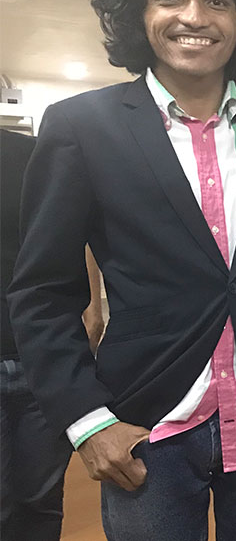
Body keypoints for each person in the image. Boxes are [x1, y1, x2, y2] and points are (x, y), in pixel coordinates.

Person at [8, 0, 236, 539]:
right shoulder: (80, 127)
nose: (194, 17)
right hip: (145, 429)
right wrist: (87, 422)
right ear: (139, 12)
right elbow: (42, 293)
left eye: (216, 0)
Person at [1, 128, 104, 541]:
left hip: (42, 355)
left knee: (42, 500)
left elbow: (78, 230)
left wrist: (93, 309)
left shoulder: (31, 153)